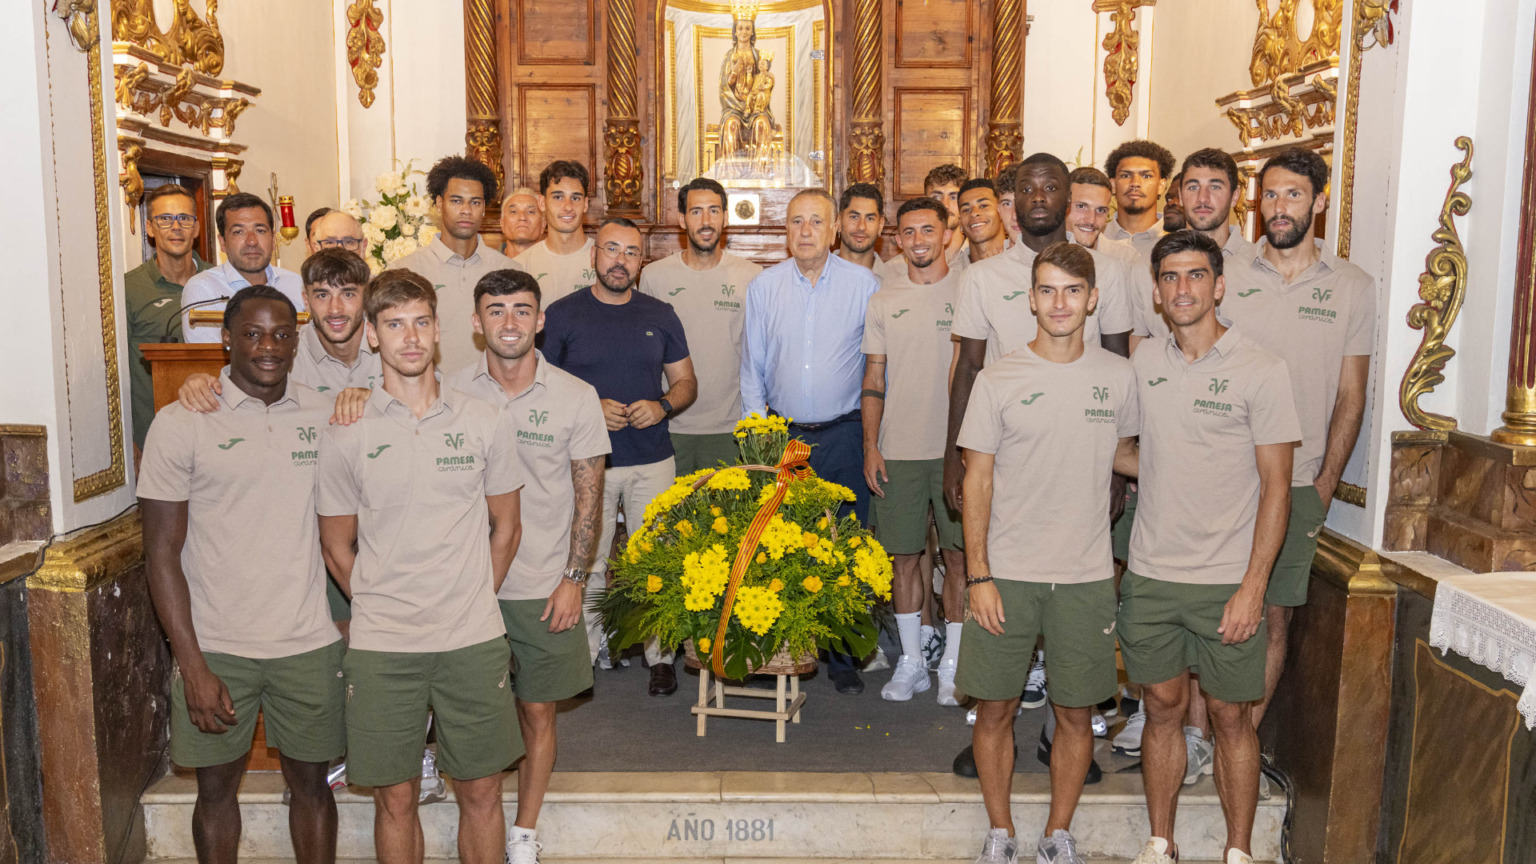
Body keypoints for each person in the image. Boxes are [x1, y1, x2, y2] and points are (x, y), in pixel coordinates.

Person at [317, 269, 525, 864]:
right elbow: (337, 546)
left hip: (472, 638)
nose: (410, 338)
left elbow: (506, 529)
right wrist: (381, 605)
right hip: (385, 647)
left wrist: (471, 598)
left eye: (421, 323)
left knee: (483, 792)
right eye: (394, 325)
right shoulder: (345, 431)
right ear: (373, 336)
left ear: (438, 332)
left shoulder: (484, 419)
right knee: (395, 799)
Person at [139, 285, 344, 864]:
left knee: (312, 788)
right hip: (219, 645)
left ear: (297, 341)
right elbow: (161, 554)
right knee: (216, 791)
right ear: (225, 338)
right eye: (252, 333)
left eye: (281, 334)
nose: (268, 347)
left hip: (307, 643)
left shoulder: (323, 413)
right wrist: (193, 665)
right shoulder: (181, 424)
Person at [944, 152, 1133, 774]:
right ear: (1012, 200)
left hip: (1080, 466)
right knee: (1004, 601)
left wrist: (1112, 473)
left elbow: (1115, 367)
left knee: (1073, 608)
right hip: (1007, 457)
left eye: (1053, 186)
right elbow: (968, 371)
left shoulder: (1107, 272)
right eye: (1029, 188)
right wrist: (956, 457)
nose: (1041, 197)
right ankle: (994, 727)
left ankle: (1064, 731)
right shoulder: (982, 277)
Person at [1119, 230, 1299, 864]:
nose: (1183, 288)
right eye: (1170, 278)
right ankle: (1160, 842)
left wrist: (1254, 586)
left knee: (1229, 718)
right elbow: (1118, 447)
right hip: (1151, 573)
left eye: (1195, 276)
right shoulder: (1142, 362)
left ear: (1219, 285)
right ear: (1157, 291)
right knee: (1163, 708)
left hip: (1227, 578)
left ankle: (1238, 850)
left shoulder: (1262, 368)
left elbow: (1278, 487)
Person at [958, 244, 1139, 864]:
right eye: (1047, 290)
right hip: (1006, 574)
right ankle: (1000, 833)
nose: (1059, 303)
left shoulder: (1119, 377)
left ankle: (1057, 835)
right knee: (996, 709)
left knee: (1075, 714)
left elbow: (1123, 455)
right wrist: (977, 575)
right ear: (1029, 299)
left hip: (1086, 576)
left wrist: (1206, 463)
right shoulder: (998, 378)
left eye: (1072, 291)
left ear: (1092, 300)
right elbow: (975, 480)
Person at [445, 269, 609, 864]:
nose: (508, 322)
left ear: (541, 320)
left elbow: (588, 496)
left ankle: (523, 831)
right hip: (466, 584)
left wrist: (574, 579)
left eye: (521, 310)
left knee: (537, 710)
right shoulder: (447, 389)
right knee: (473, 708)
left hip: (542, 584)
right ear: (475, 321)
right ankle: (473, 803)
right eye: (495, 310)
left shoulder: (574, 395)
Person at [1214, 146, 1374, 733]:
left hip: (1301, 480)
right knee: (1208, 609)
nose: (1280, 208)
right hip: (1223, 476)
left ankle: (1241, 745)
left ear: (1320, 201)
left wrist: (1327, 482)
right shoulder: (1227, 273)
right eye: (1272, 195)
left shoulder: (1353, 286)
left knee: (1273, 616)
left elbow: (1350, 396)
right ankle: (1197, 734)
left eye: (1294, 195)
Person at [543, 218, 698, 697]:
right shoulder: (563, 314)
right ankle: (582, 659)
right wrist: (588, 410)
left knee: (657, 559)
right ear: (594, 255)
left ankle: (660, 657)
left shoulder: (660, 313)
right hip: (588, 464)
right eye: (611, 249)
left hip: (651, 458)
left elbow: (687, 382)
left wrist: (663, 405)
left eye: (631, 252)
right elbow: (540, 388)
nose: (620, 260)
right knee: (585, 561)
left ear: (641, 262)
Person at [741, 188, 881, 695]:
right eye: (796, 222)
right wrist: (759, 439)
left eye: (815, 222)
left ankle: (843, 654)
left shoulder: (865, 284)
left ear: (834, 231)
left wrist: (870, 437)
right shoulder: (765, 286)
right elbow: (752, 367)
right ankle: (776, 651)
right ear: (786, 231)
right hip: (786, 437)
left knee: (845, 541)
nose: (805, 231)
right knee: (779, 544)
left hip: (843, 432)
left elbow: (875, 365)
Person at [861, 197, 968, 705]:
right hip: (898, 450)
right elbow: (874, 377)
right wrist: (870, 446)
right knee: (903, 559)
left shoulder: (971, 289)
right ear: (896, 239)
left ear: (947, 234)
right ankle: (911, 662)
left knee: (960, 560)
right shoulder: (884, 298)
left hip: (959, 453)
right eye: (909, 232)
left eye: (929, 230)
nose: (919, 240)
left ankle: (952, 665)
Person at [638, 178, 762, 475]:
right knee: (668, 521)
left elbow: (760, 356)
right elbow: (643, 355)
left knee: (729, 522)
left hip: (731, 429)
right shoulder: (655, 277)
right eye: (696, 212)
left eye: (714, 211)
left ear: (725, 217)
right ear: (681, 219)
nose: (706, 221)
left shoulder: (752, 276)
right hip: (669, 426)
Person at [388, 155, 516, 374]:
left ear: (484, 208)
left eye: (475, 202)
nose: (466, 210)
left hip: (492, 398)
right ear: (439, 203)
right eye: (456, 201)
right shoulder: (404, 272)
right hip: (427, 396)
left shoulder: (509, 271)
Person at [126, 183, 208, 452]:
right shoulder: (129, 289)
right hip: (154, 438)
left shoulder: (220, 282)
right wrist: (129, 444)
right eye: (165, 219)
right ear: (149, 228)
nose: (176, 227)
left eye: (184, 218)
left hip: (216, 433)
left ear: (196, 228)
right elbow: (114, 375)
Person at [181, 193, 304, 342]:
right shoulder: (203, 290)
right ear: (223, 242)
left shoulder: (295, 284)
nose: (251, 241)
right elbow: (209, 360)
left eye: (260, 230)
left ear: (272, 239)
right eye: (239, 232)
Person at [513, 161, 596, 305]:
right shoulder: (520, 266)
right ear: (541, 202)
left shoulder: (608, 259)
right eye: (558, 197)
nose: (568, 206)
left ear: (586, 204)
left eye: (575, 198)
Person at [1103, 139, 1176, 254]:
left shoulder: (1178, 242)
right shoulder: (1094, 238)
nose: (1135, 183)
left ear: (1161, 185)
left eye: (1146, 176)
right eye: (1126, 175)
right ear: (1113, 185)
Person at [834, 182, 899, 281]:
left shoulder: (895, 283)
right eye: (854, 217)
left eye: (870, 219)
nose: (861, 227)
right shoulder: (815, 276)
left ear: (880, 225)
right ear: (839, 221)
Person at [956, 178, 1011, 268]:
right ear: (960, 223)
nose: (974, 213)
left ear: (1001, 211)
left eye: (983, 206)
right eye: (966, 210)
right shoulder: (952, 274)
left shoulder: (1027, 263)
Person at [1065, 167, 1120, 253]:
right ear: (1063, 205)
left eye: (1101, 210)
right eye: (1081, 206)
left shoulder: (1124, 258)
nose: (1091, 220)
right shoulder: (1042, 256)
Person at [926, 163, 970, 263]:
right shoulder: (898, 268)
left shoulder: (979, 259)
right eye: (937, 197)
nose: (945, 205)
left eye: (953, 197)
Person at [500, 187, 546, 258]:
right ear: (502, 223)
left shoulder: (557, 266)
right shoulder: (486, 264)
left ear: (543, 224)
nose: (522, 217)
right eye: (513, 212)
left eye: (530, 212)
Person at [993, 162, 1022, 243]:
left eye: (1021, 203)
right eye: (1007, 204)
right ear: (998, 209)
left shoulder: (1056, 254)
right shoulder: (993, 255)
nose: (1015, 216)